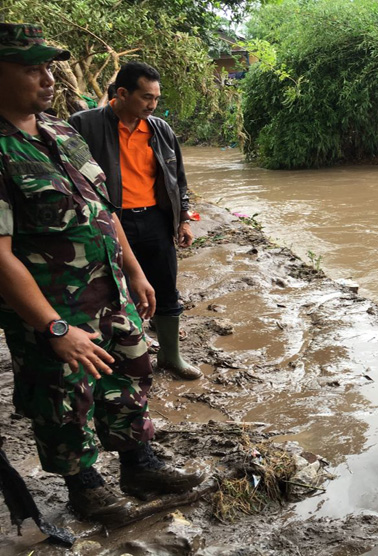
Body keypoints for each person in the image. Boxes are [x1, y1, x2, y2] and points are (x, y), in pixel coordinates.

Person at [0, 22, 204, 526]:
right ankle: (85, 489)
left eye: (49, 67)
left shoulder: (61, 131)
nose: (48, 79)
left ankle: (139, 465)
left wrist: (135, 273)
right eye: (32, 69)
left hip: (110, 290)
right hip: (53, 308)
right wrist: (53, 326)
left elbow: (104, 210)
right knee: (65, 397)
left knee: (134, 369)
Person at [69, 61, 200, 380]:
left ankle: (170, 357)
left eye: (156, 98)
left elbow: (177, 178)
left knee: (165, 289)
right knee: (109, 292)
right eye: (146, 98)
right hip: (107, 223)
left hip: (155, 220)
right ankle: (116, 362)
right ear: (122, 93)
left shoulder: (160, 129)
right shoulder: (83, 125)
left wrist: (183, 218)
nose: (152, 105)